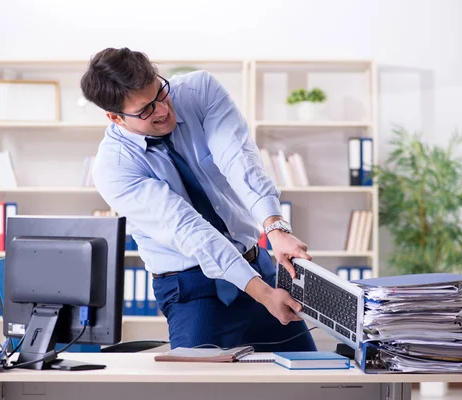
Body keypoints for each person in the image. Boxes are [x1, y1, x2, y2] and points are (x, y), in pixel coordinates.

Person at [80, 47, 317, 352]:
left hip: (256, 263)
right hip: (192, 286)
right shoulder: (114, 167)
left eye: (160, 93)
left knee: (302, 377)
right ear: (116, 118)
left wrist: (275, 229)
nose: (163, 110)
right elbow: (191, 231)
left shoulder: (199, 91)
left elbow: (239, 160)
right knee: (197, 387)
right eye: (145, 110)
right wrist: (265, 295)